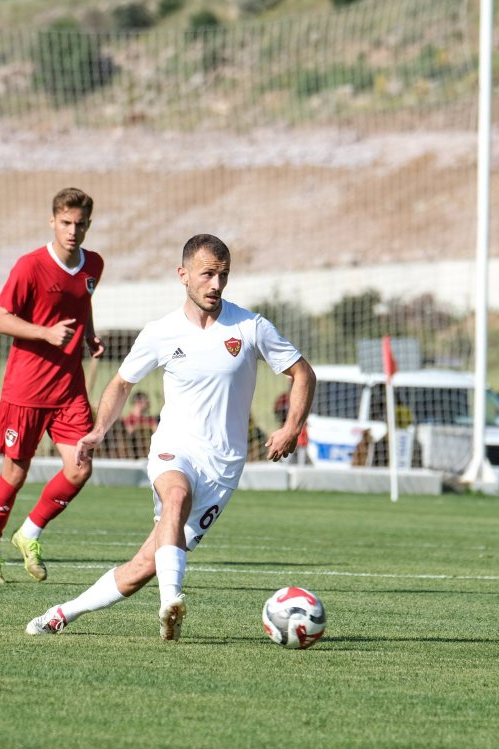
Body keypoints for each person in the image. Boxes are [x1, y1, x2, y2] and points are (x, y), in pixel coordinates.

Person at [25, 233, 315, 640]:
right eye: (207, 274)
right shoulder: (161, 332)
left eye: (223, 275)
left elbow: (303, 373)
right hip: (174, 448)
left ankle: (61, 613)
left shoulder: (251, 327)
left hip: (222, 468)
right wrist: (99, 430)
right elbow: (121, 383)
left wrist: (291, 427)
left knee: (143, 566)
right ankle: (171, 602)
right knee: (175, 496)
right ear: (183, 275)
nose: (216, 284)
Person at [0, 187, 105, 585]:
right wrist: (45, 333)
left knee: (80, 468)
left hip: (69, 389)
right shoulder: (30, 266)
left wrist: (89, 335)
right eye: (65, 223)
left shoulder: (94, 264)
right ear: (52, 221)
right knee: (15, 475)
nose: (72, 231)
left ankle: (29, 532)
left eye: (80, 224)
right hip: (26, 389)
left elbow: (81, 302)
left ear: (88, 225)